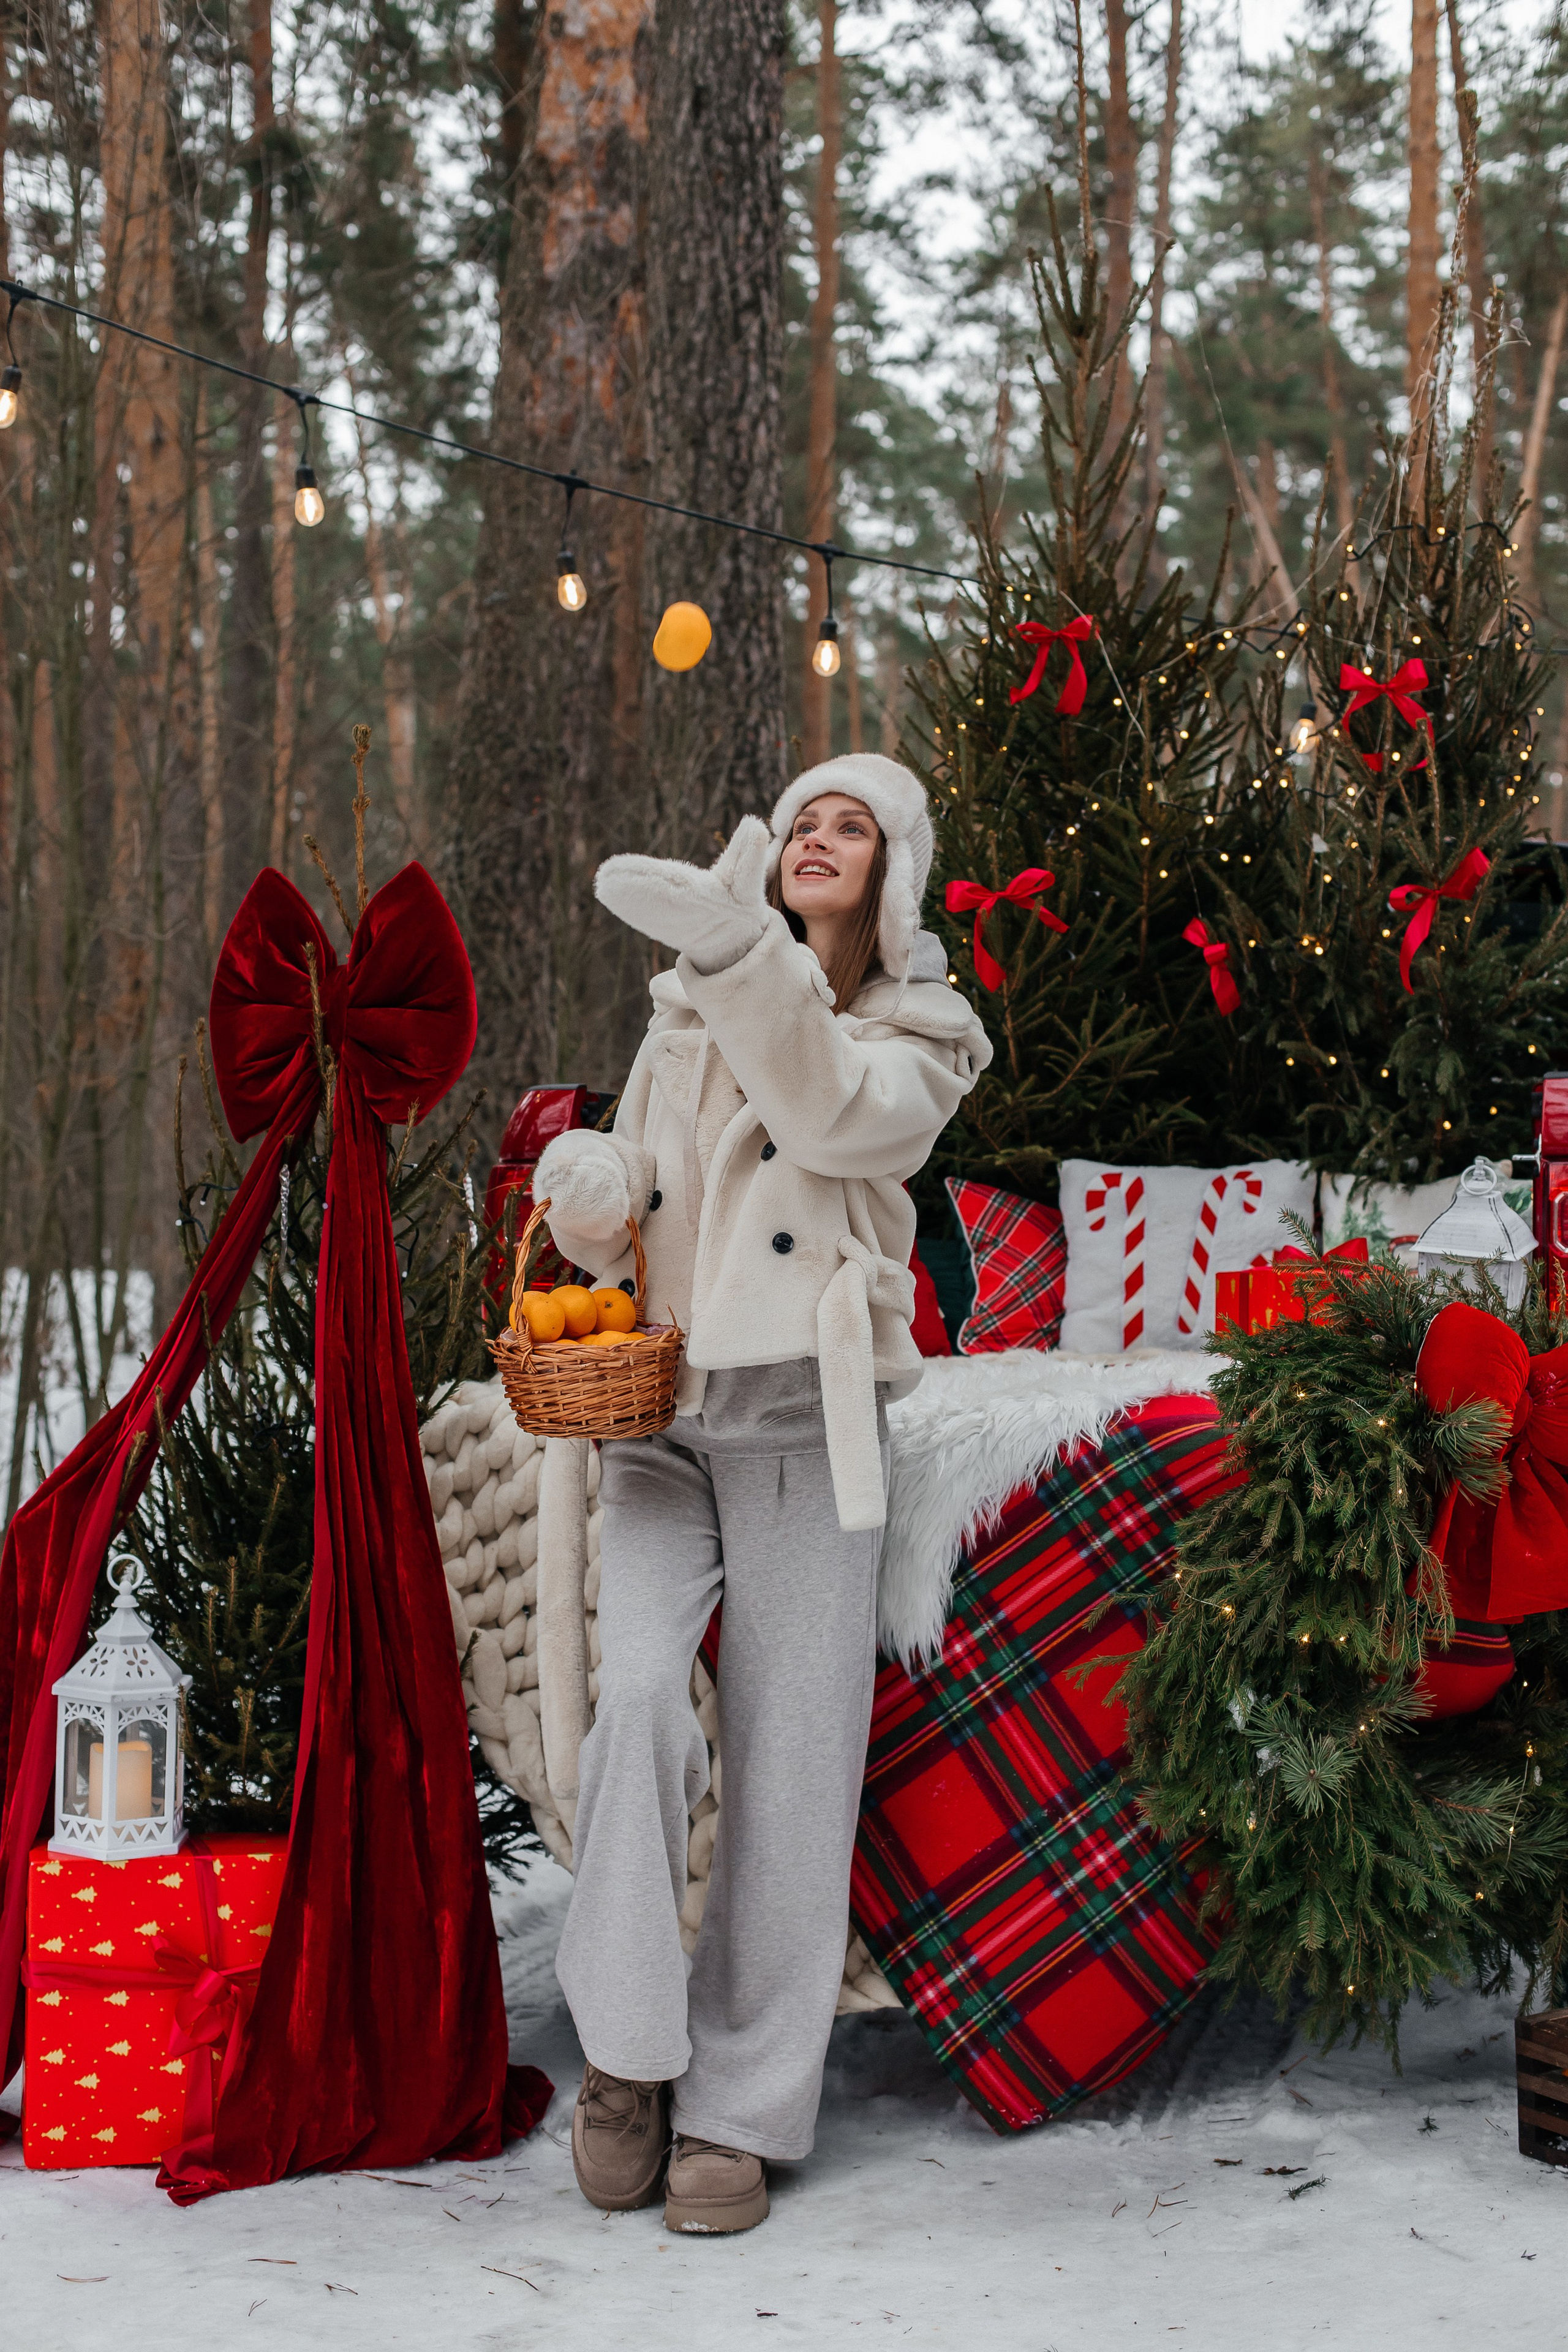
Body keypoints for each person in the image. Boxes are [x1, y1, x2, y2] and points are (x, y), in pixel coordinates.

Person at [532, 753, 991, 2234]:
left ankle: (737, 2107)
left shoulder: (924, 1031)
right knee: (640, 1703)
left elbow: (834, 1121)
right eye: (801, 821)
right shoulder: (683, 1016)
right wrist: (595, 1191)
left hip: (806, 1420)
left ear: (891, 871)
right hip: (664, 1418)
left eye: (849, 826)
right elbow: (640, 1210)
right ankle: (624, 2061)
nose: (816, 839)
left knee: (796, 1772)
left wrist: (735, 955)